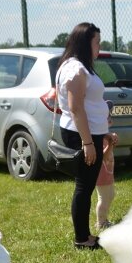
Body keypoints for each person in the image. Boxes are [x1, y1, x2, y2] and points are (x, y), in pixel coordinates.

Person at [56, 22, 109, 249]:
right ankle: (82, 238)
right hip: (82, 135)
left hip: (90, 133)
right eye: (96, 42)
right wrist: (88, 142)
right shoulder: (76, 69)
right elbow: (75, 107)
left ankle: (84, 235)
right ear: (85, 43)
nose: (99, 46)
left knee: (85, 187)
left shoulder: (78, 66)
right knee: (84, 187)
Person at [96, 102, 119, 230]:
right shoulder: (99, 137)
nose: (110, 117)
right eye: (106, 116)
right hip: (101, 173)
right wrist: (110, 144)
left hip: (108, 171)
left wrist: (112, 141)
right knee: (103, 197)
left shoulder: (106, 135)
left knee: (110, 195)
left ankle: (104, 219)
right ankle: (100, 222)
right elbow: (102, 157)